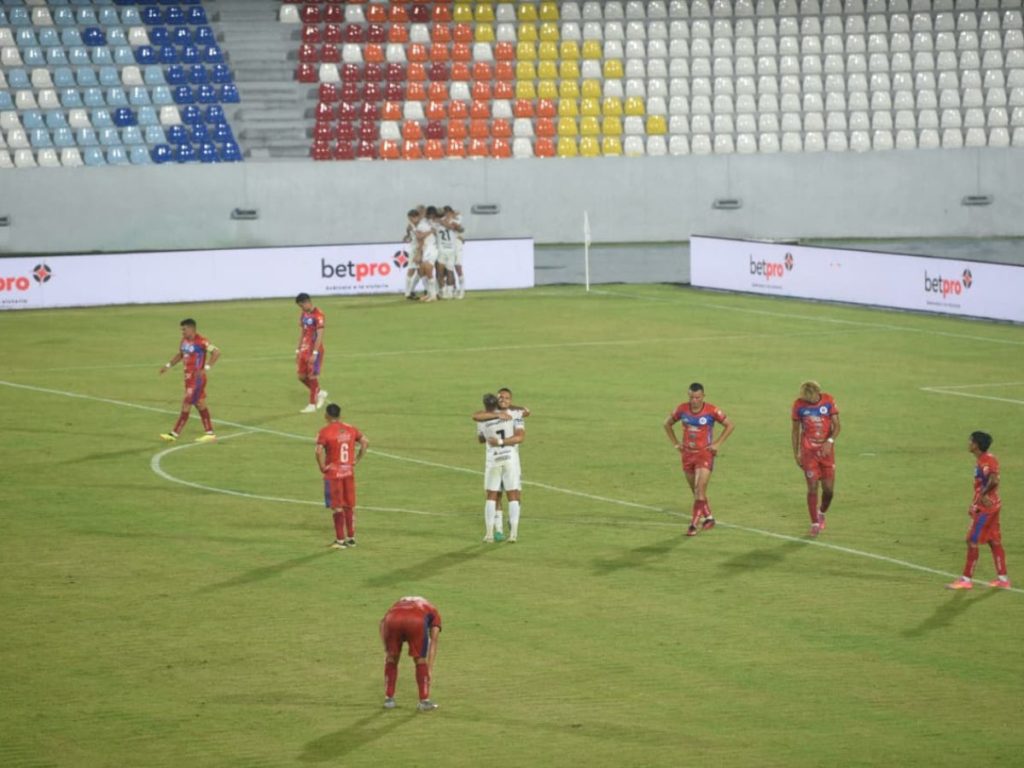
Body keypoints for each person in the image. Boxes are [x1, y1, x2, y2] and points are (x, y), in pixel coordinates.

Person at [663, 382, 735, 536]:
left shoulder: (711, 410)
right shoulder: (682, 409)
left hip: (704, 454)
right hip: (687, 455)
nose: (694, 400)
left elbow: (730, 425)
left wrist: (717, 443)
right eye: (692, 397)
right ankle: (709, 518)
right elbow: (667, 424)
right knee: (696, 491)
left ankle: (693, 525)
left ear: (703, 396)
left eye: (697, 397)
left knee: (699, 489)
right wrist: (676, 444)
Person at [947, 431, 1011, 590]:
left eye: (970, 441)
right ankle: (1003, 579)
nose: (968, 443)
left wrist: (981, 496)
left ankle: (966, 579)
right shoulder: (988, 458)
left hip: (985, 509)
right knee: (993, 540)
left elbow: (994, 480)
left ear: (976, 445)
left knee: (972, 540)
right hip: (993, 505)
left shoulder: (985, 462)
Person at [471, 387, 531, 540]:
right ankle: (499, 530)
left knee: (511, 494)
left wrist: (496, 439)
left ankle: (507, 527)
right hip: (508, 458)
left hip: (501, 459)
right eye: (501, 398)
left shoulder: (485, 418)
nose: (503, 400)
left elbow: (480, 436)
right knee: (499, 494)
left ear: (511, 401)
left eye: (507, 398)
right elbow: (526, 413)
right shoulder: (508, 415)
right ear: (496, 401)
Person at [791, 380, 841, 537]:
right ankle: (814, 523)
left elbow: (837, 426)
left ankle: (822, 512)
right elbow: (795, 431)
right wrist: (796, 453)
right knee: (812, 487)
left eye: (810, 397)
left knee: (829, 490)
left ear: (817, 393)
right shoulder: (798, 405)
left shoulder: (828, 400)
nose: (808, 400)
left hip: (826, 453)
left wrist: (830, 441)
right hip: (808, 453)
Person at [315, 403, 368, 549]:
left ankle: (339, 541)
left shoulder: (325, 432)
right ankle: (351, 539)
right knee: (349, 506)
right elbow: (365, 442)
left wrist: (321, 467)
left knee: (337, 507)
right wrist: (356, 459)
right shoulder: (350, 429)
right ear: (339, 415)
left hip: (333, 474)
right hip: (348, 472)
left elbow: (318, 451)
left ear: (327, 415)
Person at [158, 318, 220, 443]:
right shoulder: (184, 341)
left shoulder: (202, 341)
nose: (182, 332)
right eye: (182, 329)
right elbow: (180, 354)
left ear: (192, 329)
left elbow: (216, 352)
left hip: (196, 379)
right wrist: (168, 365)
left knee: (186, 404)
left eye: (184, 329)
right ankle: (210, 433)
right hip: (188, 378)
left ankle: (174, 434)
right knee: (200, 404)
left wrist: (206, 368)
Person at [380, 595, 442, 711]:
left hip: (392, 619)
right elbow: (434, 641)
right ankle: (424, 701)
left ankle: (389, 700)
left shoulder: (397, 604)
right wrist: (429, 670)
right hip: (416, 620)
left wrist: (387, 650)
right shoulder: (433, 611)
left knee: (392, 658)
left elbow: (382, 623)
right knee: (420, 659)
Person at [295, 292, 328, 414]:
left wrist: (315, 353)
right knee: (301, 377)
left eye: (301, 305)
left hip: (314, 350)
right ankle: (320, 392)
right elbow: (302, 332)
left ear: (307, 302)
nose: (301, 308)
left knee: (312, 376)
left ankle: (312, 404)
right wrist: (298, 349)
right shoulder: (304, 314)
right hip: (304, 349)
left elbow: (319, 335)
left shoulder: (318, 315)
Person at [442, 205, 466, 299]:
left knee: (458, 267)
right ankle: (452, 290)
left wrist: (456, 227)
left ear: (451, 212)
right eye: (446, 212)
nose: (447, 214)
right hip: (447, 245)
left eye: (449, 212)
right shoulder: (443, 220)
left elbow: (460, 228)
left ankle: (462, 291)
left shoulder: (457, 218)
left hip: (456, 244)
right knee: (449, 269)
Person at [403, 207, 425, 300]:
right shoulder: (412, 226)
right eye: (410, 218)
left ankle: (411, 291)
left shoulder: (419, 225)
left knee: (421, 272)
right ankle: (408, 292)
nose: (411, 220)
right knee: (412, 270)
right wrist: (407, 236)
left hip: (421, 249)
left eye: (411, 218)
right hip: (414, 250)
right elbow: (416, 237)